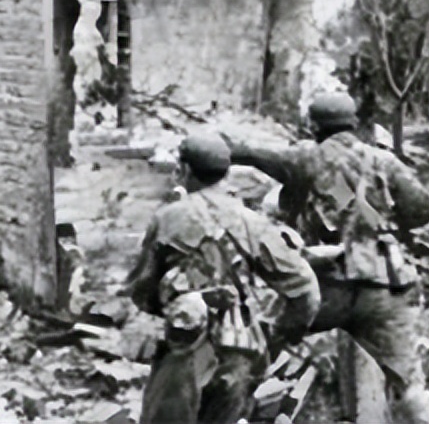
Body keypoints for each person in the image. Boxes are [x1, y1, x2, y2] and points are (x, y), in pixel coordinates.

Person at [223, 92, 429, 424]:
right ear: (353, 124)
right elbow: (422, 210)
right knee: (409, 383)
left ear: (314, 127)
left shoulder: (305, 157)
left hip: (321, 284)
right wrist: (386, 220)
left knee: (253, 349)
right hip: (383, 283)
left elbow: (254, 155)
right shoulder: (384, 161)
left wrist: (217, 148)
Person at [127, 132, 320, 424]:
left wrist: (171, 302)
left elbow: (142, 290)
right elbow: (306, 290)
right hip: (239, 354)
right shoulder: (253, 223)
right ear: (226, 172)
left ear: (185, 170)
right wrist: (281, 333)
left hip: (184, 350)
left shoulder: (168, 218)